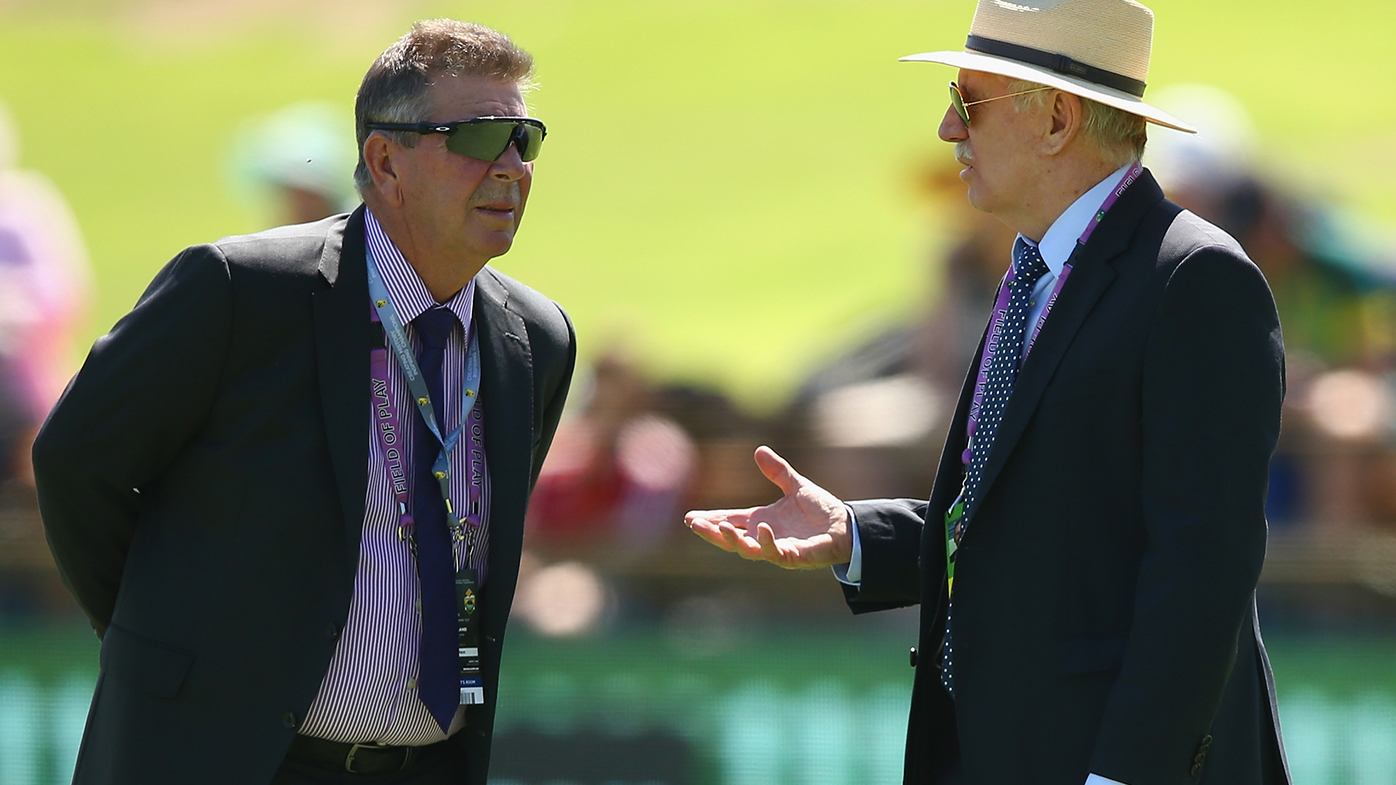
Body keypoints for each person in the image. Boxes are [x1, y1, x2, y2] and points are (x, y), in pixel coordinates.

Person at [685, 1, 1289, 783]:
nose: (946, 129)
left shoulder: (1195, 279)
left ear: (1058, 120)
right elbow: (1038, 521)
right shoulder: (1037, 269)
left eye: (969, 102)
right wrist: (856, 533)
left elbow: (1202, 568)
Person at [32, 19, 575, 785]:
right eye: (481, 138)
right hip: (223, 761)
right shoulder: (237, 292)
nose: (512, 166)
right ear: (385, 161)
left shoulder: (536, 340)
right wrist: (162, 645)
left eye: (526, 139)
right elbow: (75, 462)